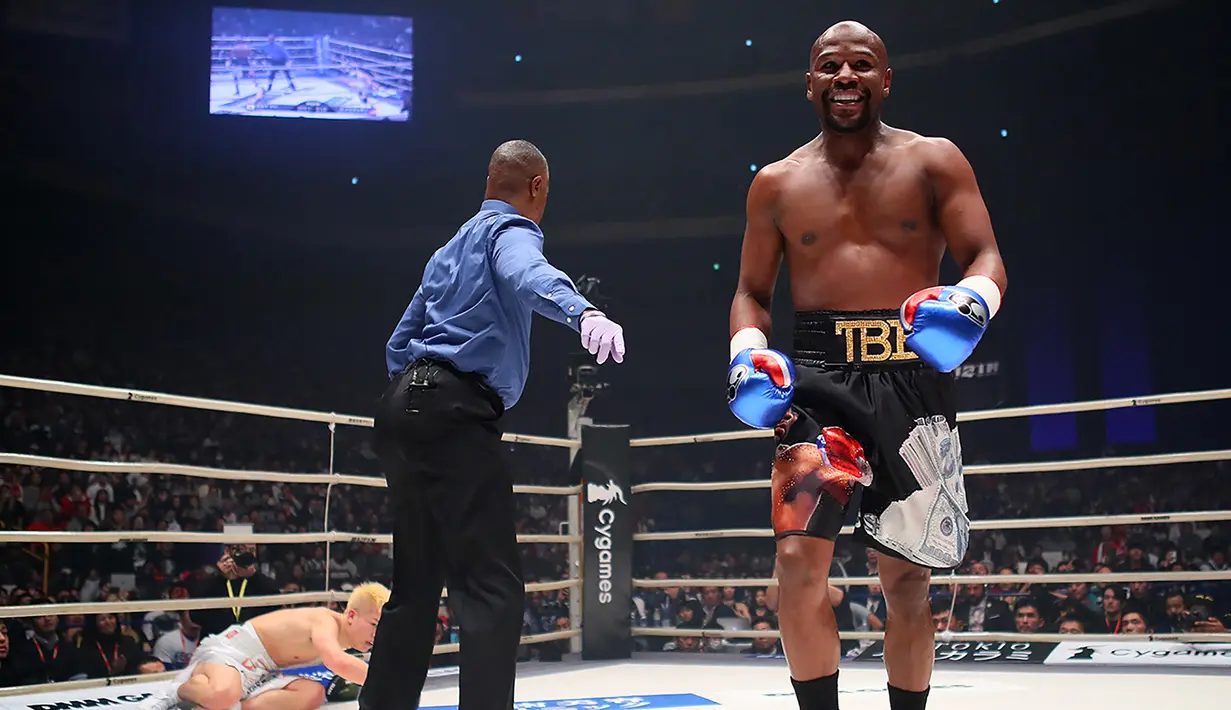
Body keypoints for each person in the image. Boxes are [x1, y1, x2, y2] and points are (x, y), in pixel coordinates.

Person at [726, 20, 1006, 710]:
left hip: (913, 376)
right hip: (817, 385)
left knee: (907, 581)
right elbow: (750, 294)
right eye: (829, 66)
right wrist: (746, 354)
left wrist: (970, 303)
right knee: (796, 564)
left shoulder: (934, 161)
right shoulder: (775, 183)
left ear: (884, 78)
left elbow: (986, 257)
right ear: (809, 83)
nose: (844, 76)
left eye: (859, 64)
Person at [363, 139, 626, 710]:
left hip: (404, 408)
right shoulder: (512, 234)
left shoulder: (447, 249)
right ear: (536, 187)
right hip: (454, 412)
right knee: (491, 588)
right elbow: (529, 275)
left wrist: (414, 399)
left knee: (414, 585)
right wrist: (583, 312)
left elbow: (399, 342)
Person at [141, 582, 388, 710]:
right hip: (232, 653)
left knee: (312, 694)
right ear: (352, 615)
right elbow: (337, 662)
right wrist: (389, 680)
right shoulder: (325, 621)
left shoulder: (340, 639)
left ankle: (227, 707)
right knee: (222, 693)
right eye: (374, 624)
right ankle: (178, 690)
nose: (377, 634)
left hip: (262, 671)